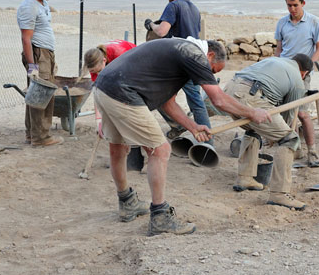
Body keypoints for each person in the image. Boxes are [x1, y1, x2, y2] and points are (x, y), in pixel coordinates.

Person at [93, 37, 270, 236]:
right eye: (212, 70)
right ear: (209, 56)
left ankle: (127, 202)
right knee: (160, 150)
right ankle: (160, 217)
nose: (209, 76)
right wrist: (252, 113)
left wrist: (193, 127)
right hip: (123, 93)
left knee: (118, 147)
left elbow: (168, 103)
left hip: (103, 86)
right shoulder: (193, 55)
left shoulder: (178, 52)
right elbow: (218, 99)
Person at [224, 54, 313, 210]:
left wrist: (272, 133)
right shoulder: (298, 80)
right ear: (304, 73)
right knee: (289, 139)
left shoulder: (276, 60)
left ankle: (245, 177)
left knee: (254, 128)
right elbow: (288, 115)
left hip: (229, 91)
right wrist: (276, 137)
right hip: (250, 96)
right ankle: (279, 194)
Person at [143, 0, 211, 143]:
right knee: (196, 103)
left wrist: (151, 24)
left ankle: (177, 124)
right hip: (192, 60)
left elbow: (161, 31)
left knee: (157, 96)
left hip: (174, 63)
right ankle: (208, 144)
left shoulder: (173, 6)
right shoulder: (194, 8)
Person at [274, 0, 319, 168]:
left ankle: (312, 152)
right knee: (289, 113)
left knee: (302, 113)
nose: (292, 9)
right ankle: (297, 149)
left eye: (295, 5)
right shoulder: (282, 23)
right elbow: (279, 50)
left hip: (303, 74)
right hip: (285, 73)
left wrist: (309, 67)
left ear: (303, 3)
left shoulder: (314, 22)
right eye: (289, 5)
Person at [17, 0, 63, 147]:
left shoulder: (41, 3)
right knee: (42, 95)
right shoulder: (29, 7)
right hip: (37, 54)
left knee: (36, 94)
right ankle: (40, 137)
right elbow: (26, 39)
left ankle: (32, 135)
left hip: (46, 54)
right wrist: (32, 67)